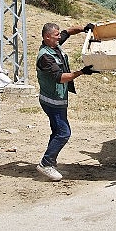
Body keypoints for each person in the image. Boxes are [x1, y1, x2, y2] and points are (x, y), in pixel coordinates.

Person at [36, 21, 98, 181]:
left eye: (58, 35)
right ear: (47, 37)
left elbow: (68, 31)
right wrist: (82, 72)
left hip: (58, 100)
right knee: (64, 132)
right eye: (56, 35)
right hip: (52, 101)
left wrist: (84, 28)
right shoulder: (45, 57)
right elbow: (61, 78)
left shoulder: (54, 44)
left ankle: (50, 160)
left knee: (57, 131)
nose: (59, 37)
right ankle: (46, 164)